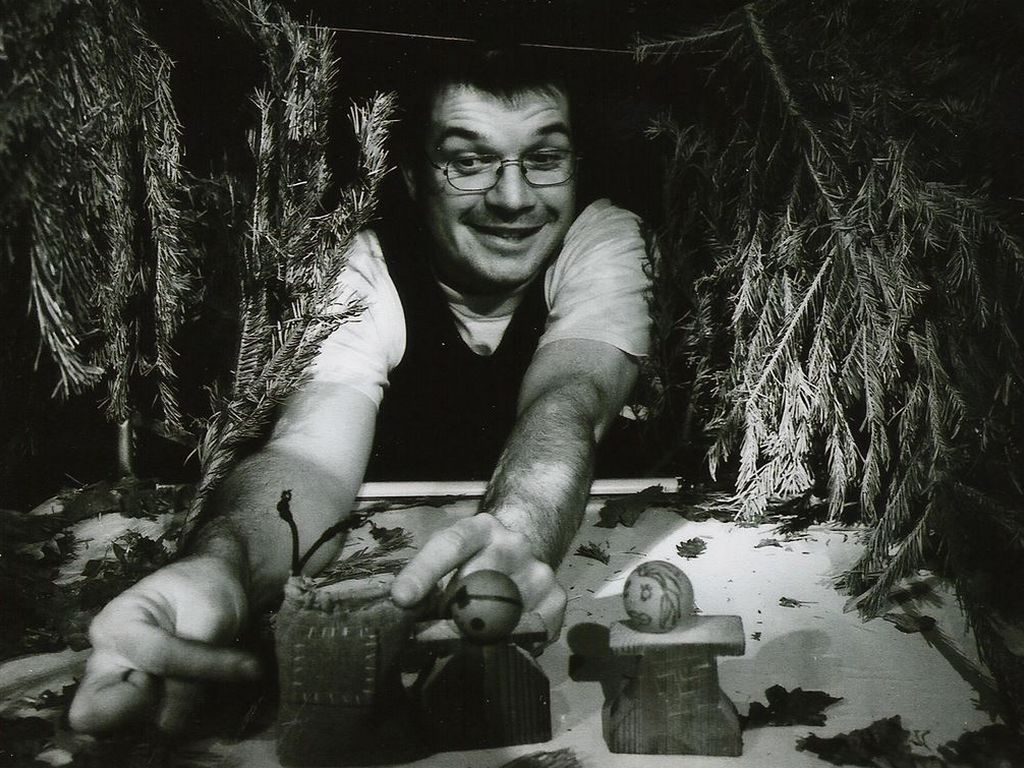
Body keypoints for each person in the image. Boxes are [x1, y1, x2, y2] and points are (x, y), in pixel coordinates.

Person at [68, 46, 652, 734]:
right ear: (412, 179)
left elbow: (570, 401)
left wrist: (516, 539)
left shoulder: (601, 238)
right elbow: (308, 457)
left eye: (544, 158)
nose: (514, 197)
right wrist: (220, 572)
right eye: (469, 161)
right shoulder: (365, 268)